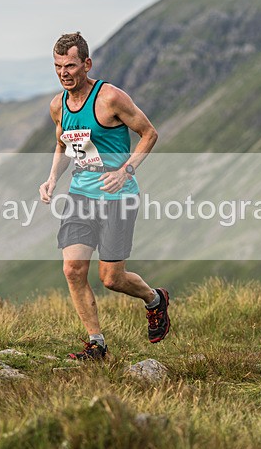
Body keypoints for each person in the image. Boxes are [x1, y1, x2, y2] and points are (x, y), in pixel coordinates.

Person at [39, 32, 171, 360]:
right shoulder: (58, 106)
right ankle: (96, 344)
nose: (64, 73)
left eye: (70, 66)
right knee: (73, 270)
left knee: (111, 278)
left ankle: (155, 299)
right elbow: (64, 145)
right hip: (81, 195)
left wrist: (126, 170)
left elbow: (149, 133)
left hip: (118, 197)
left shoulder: (110, 98)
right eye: (58, 66)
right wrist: (52, 178)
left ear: (87, 64)